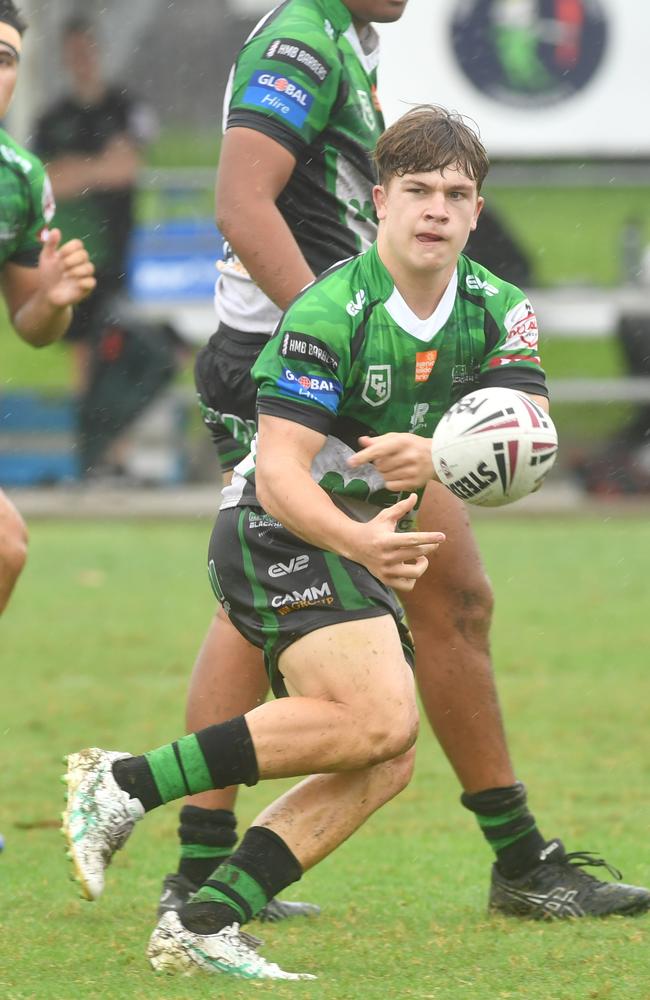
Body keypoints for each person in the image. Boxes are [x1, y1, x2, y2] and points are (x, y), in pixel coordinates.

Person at [63, 107, 650, 982]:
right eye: (417, 191)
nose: (436, 210)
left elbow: (530, 436)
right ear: (379, 200)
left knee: (387, 755)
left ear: (478, 211)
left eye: (456, 194)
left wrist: (446, 456)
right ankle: (126, 784)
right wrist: (359, 540)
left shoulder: (500, 310)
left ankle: (207, 916)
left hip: (359, 536)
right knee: (380, 719)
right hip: (279, 529)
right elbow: (280, 476)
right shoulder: (331, 309)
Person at [0, 0, 95, 615]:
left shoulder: (20, 180)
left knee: (5, 547)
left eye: (6, 59)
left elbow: (31, 325)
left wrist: (53, 299)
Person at [31, 15, 158, 475]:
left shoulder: (124, 107)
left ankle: (116, 453)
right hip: (74, 253)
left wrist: (78, 171)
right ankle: (89, 450)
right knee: (83, 353)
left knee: (118, 352)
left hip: (118, 253)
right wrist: (96, 168)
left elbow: (126, 168)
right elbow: (48, 179)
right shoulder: (54, 118)